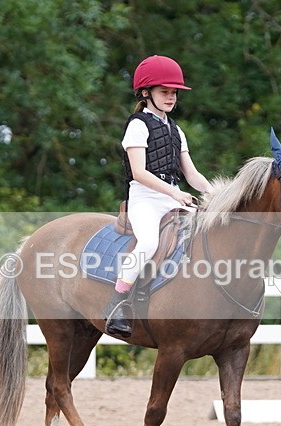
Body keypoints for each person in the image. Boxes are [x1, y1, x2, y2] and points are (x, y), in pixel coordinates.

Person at [104, 55, 214, 338]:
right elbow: (139, 172)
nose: (171, 97)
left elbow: (192, 175)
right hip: (144, 198)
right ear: (145, 92)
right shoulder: (138, 125)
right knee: (149, 243)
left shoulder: (176, 130)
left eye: (174, 92)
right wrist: (176, 194)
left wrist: (217, 193)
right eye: (164, 91)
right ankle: (118, 305)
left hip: (172, 196)